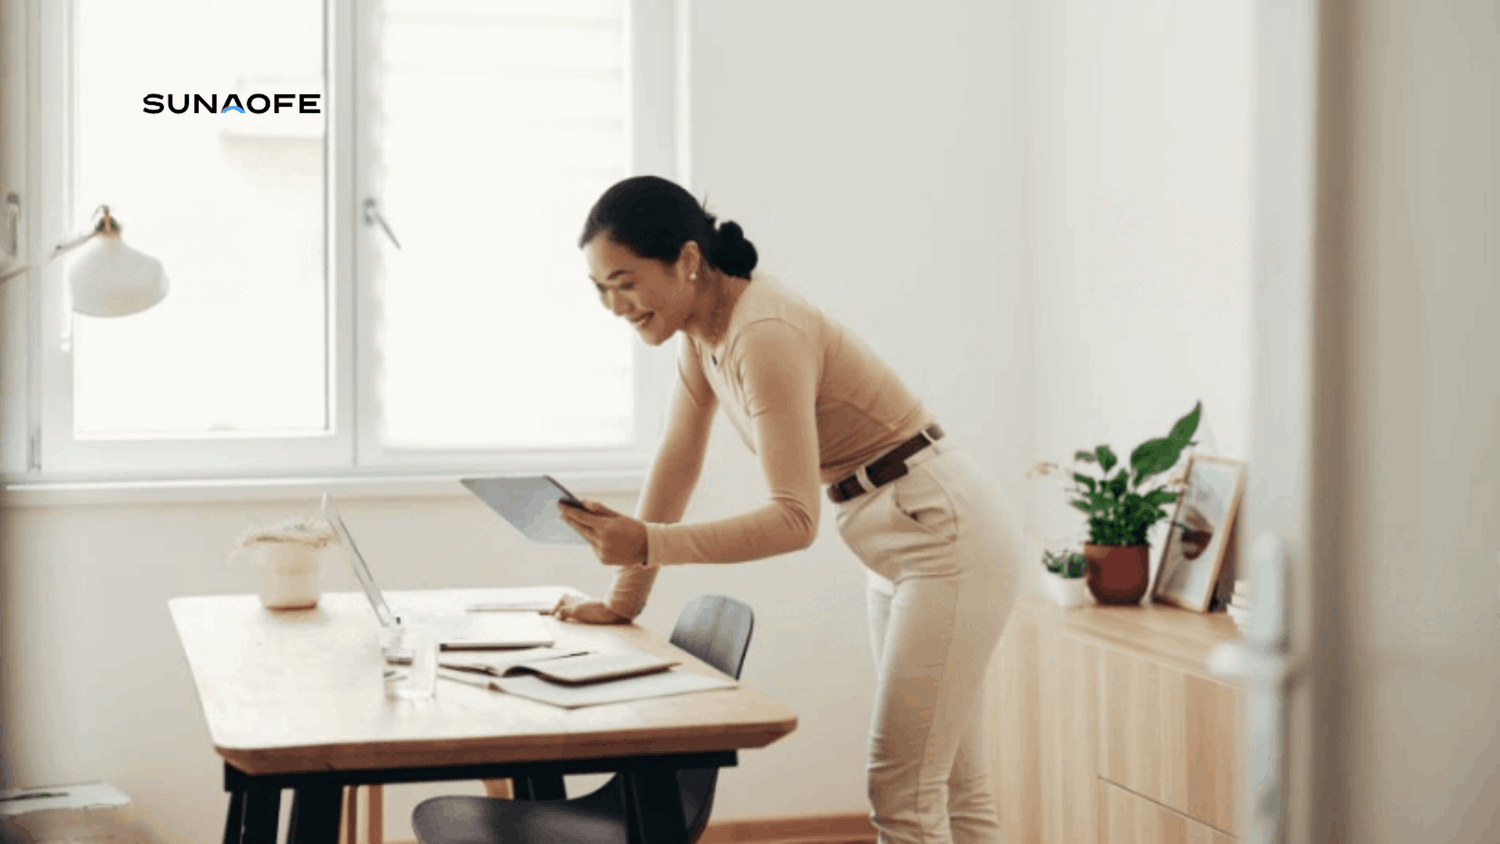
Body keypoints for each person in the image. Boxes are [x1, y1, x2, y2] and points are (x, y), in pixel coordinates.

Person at [550, 175, 1022, 844]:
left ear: (687, 261)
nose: (614, 306)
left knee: (903, 795)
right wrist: (624, 599)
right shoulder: (701, 334)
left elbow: (794, 520)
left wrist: (648, 543)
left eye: (625, 282)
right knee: (947, 787)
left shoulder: (763, 332)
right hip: (898, 535)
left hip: (942, 534)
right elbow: (678, 461)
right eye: (600, 289)